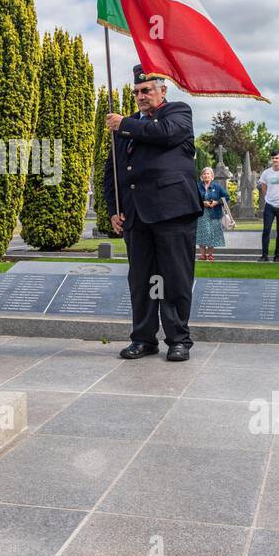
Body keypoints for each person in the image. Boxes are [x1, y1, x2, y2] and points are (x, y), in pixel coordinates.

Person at [103, 65, 201, 362]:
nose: (140, 96)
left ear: (162, 91)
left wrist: (124, 125)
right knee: (142, 281)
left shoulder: (178, 112)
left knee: (175, 279)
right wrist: (114, 209)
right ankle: (143, 339)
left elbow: (166, 134)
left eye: (146, 90)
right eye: (136, 92)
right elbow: (113, 171)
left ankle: (178, 339)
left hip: (172, 211)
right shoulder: (126, 124)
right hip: (136, 214)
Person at [195, 166, 229, 262]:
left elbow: (226, 197)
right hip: (202, 214)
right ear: (202, 176)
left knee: (212, 234)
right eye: (204, 174)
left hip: (214, 214)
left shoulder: (217, 186)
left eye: (208, 174)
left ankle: (210, 255)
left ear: (212, 176)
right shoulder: (197, 186)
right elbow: (193, 198)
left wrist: (217, 202)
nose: (206, 175)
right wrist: (203, 203)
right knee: (202, 234)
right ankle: (202, 255)